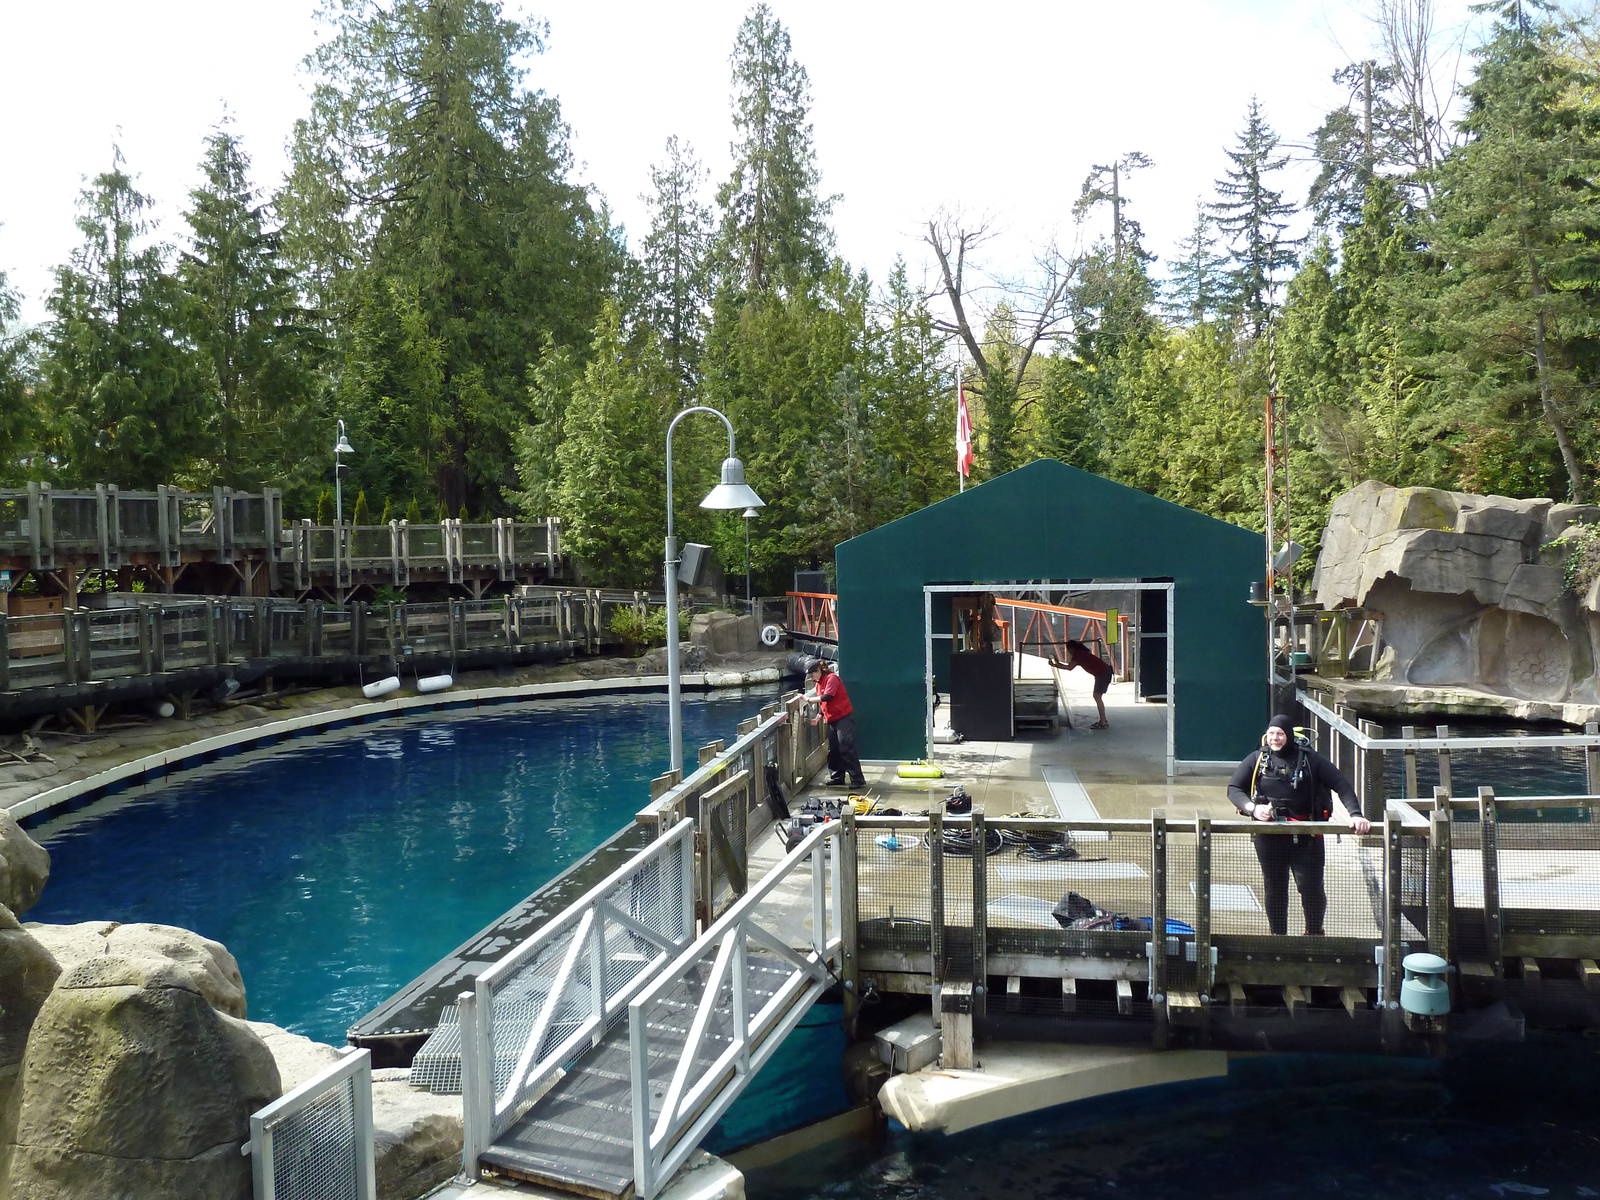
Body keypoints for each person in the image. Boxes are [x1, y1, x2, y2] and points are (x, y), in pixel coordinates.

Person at [1226, 713, 1373, 936]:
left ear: (1289, 736)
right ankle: (1278, 936)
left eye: (1280, 734)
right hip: (1269, 835)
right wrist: (1253, 808)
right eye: (1271, 734)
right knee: (1274, 888)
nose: (1275, 738)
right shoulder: (1257, 759)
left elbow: (1341, 784)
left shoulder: (1311, 760)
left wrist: (1355, 814)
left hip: (1307, 836)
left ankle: (1313, 933)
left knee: (1311, 888)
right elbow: (1234, 788)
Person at [804, 658, 866, 789]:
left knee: (846, 747)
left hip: (844, 718)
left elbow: (828, 696)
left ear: (818, 670)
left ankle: (858, 779)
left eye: (812, 674)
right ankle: (837, 777)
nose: (811, 677)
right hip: (832, 719)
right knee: (834, 749)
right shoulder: (818, 683)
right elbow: (824, 703)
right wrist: (819, 717)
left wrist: (808, 699)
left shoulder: (832, 678)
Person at [1050, 638, 1114, 729]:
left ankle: (1103, 722)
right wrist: (1057, 663)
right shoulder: (1081, 653)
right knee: (1097, 696)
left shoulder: (1078, 654)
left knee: (1097, 696)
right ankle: (1103, 720)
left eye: (1068, 650)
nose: (1069, 652)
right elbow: (1070, 665)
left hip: (1102, 674)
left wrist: (1055, 665)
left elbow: (1069, 667)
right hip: (1103, 673)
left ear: (1071, 648)